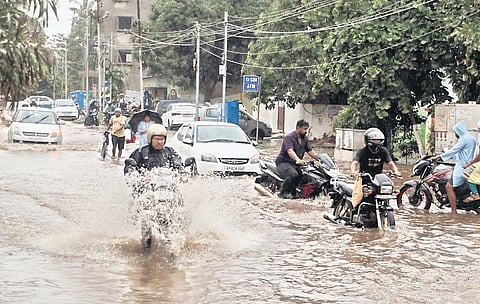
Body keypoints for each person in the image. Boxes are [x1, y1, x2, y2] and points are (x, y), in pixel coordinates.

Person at [432, 120, 476, 214]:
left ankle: (453, 211)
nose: (455, 134)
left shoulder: (463, 139)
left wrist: (438, 157)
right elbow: (460, 153)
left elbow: (454, 150)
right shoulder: (472, 138)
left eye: (455, 132)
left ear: (459, 131)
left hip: (462, 168)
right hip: (471, 166)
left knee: (449, 187)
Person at [275, 119, 320, 199]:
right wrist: (298, 159)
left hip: (295, 164)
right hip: (283, 162)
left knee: (305, 174)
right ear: (298, 128)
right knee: (293, 174)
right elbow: (290, 151)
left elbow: (310, 151)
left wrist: (320, 159)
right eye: (304, 129)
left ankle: (294, 191)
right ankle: (282, 192)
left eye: (307, 129)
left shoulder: (304, 139)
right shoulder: (289, 137)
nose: (306, 131)